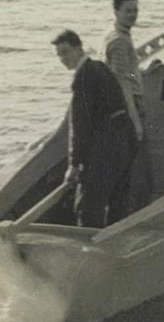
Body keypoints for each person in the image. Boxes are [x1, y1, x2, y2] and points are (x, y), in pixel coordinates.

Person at [51, 29, 138, 228]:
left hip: (105, 151)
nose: (62, 59)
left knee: (88, 206)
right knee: (118, 205)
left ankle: (87, 253)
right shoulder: (100, 68)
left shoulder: (83, 78)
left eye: (65, 52)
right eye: (59, 55)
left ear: (79, 48)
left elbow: (80, 125)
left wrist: (74, 164)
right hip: (124, 145)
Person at [102, 0, 144, 141]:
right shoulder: (119, 41)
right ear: (116, 12)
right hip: (125, 109)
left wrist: (142, 72)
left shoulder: (115, 33)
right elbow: (122, 83)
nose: (133, 15)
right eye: (128, 11)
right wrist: (136, 123)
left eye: (135, 10)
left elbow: (126, 72)